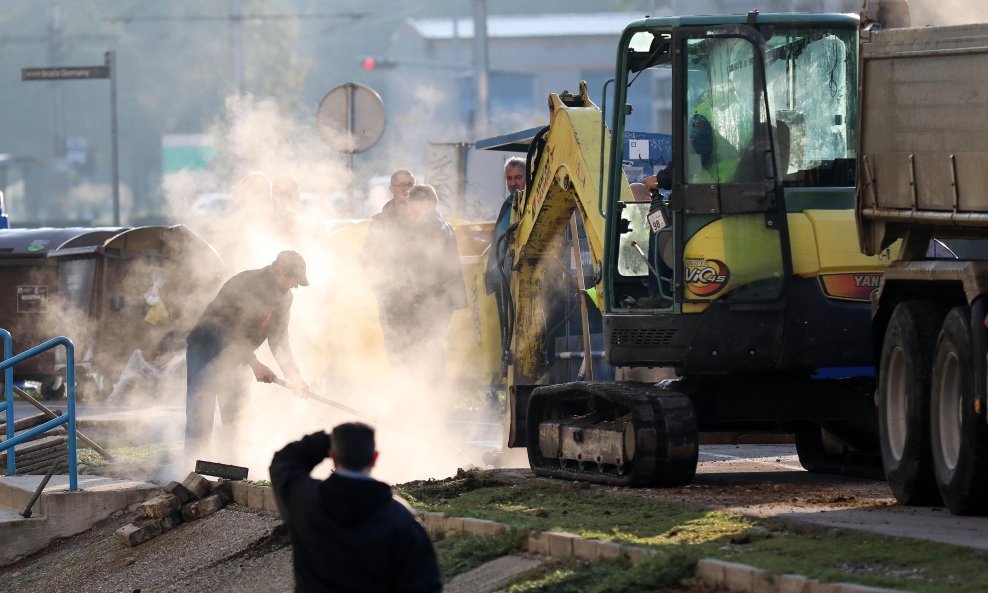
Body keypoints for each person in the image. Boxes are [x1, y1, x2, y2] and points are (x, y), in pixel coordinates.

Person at [269, 422, 441, 593]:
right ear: (374, 458)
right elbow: (424, 585)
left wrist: (326, 441)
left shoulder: (303, 501)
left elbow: (284, 461)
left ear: (333, 457)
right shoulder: (401, 519)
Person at [184, 251, 310, 458]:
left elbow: (279, 340)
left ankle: (232, 472)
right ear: (279, 271)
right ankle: (190, 473)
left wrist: (295, 377)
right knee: (201, 416)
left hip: (238, 359)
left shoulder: (286, 297)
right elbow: (226, 329)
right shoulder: (246, 283)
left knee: (237, 418)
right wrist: (254, 363)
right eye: (292, 280)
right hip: (205, 351)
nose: (294, 286)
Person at [400, 184, 467, 379]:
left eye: (411, 205)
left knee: (427, 349)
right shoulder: (441, 222)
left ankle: (430, 393)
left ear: (421, 204)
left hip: (432, 299)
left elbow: (425, 269)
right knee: (434, 348)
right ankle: (434, 393)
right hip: (442, 298)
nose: (409, 210)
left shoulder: (429, 227)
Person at [484, 157, 526, 359]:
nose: (513, 183)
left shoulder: (530, 204)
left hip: (522, 283)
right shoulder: (509, 203)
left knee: (524, 338)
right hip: (502, 281)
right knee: (506, 340)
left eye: (518, 177)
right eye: (509, 178)